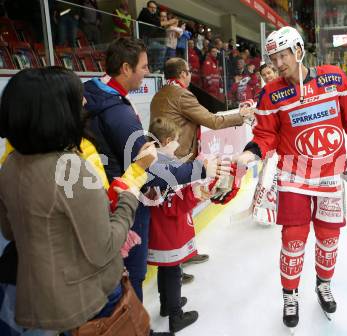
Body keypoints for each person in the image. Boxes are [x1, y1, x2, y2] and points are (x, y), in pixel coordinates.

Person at [235, 26, 347, 330]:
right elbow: (264, 135)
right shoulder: (271, 93)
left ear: (298, 51)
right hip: (294, 178)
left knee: (329, 238)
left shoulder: (334, 78)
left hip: (329, 177)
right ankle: (290, 295)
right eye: (274, 57)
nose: (278, 63)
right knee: (293, 240)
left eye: (283, 55)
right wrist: (249, 155)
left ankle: (323, 284)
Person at [0, 67, 156, 333]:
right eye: (77, 99)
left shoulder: (11, 164)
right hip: (87, 303)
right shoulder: (70, 168)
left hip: (34, 298)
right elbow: (104, 247)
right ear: (56, 112)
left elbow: (10, 229)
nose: (84, 103)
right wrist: (129, 197)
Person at [83, 38, 224, 301]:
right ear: (126, 68)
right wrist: (199, 169)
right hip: (126, 201)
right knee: (133, 273)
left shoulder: (93, 93)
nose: (147, 72)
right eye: (144, 67)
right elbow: (151, 171)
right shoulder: (117, 112)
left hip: (104, 198)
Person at [150, 57, 254, 275]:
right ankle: (175, 264)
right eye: (188, 72)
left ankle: (184, 254)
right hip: (178, 159)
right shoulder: (181, 94)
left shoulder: (159, 94)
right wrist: (241, 116)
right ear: (183, 74)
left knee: (180, 212)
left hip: (166, 158)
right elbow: (212, 121)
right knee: (178, 213)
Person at [147, 117, 216, 333]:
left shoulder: (153, 161)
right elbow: (172, 206)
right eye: (176, 141)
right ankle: (175, 315)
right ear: (167, 140)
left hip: (160, 232)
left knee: (165, 270)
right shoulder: (163, 168)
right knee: (173, 271)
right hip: (169, 232)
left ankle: (167, 305)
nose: (178, 145)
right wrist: (195, 195)